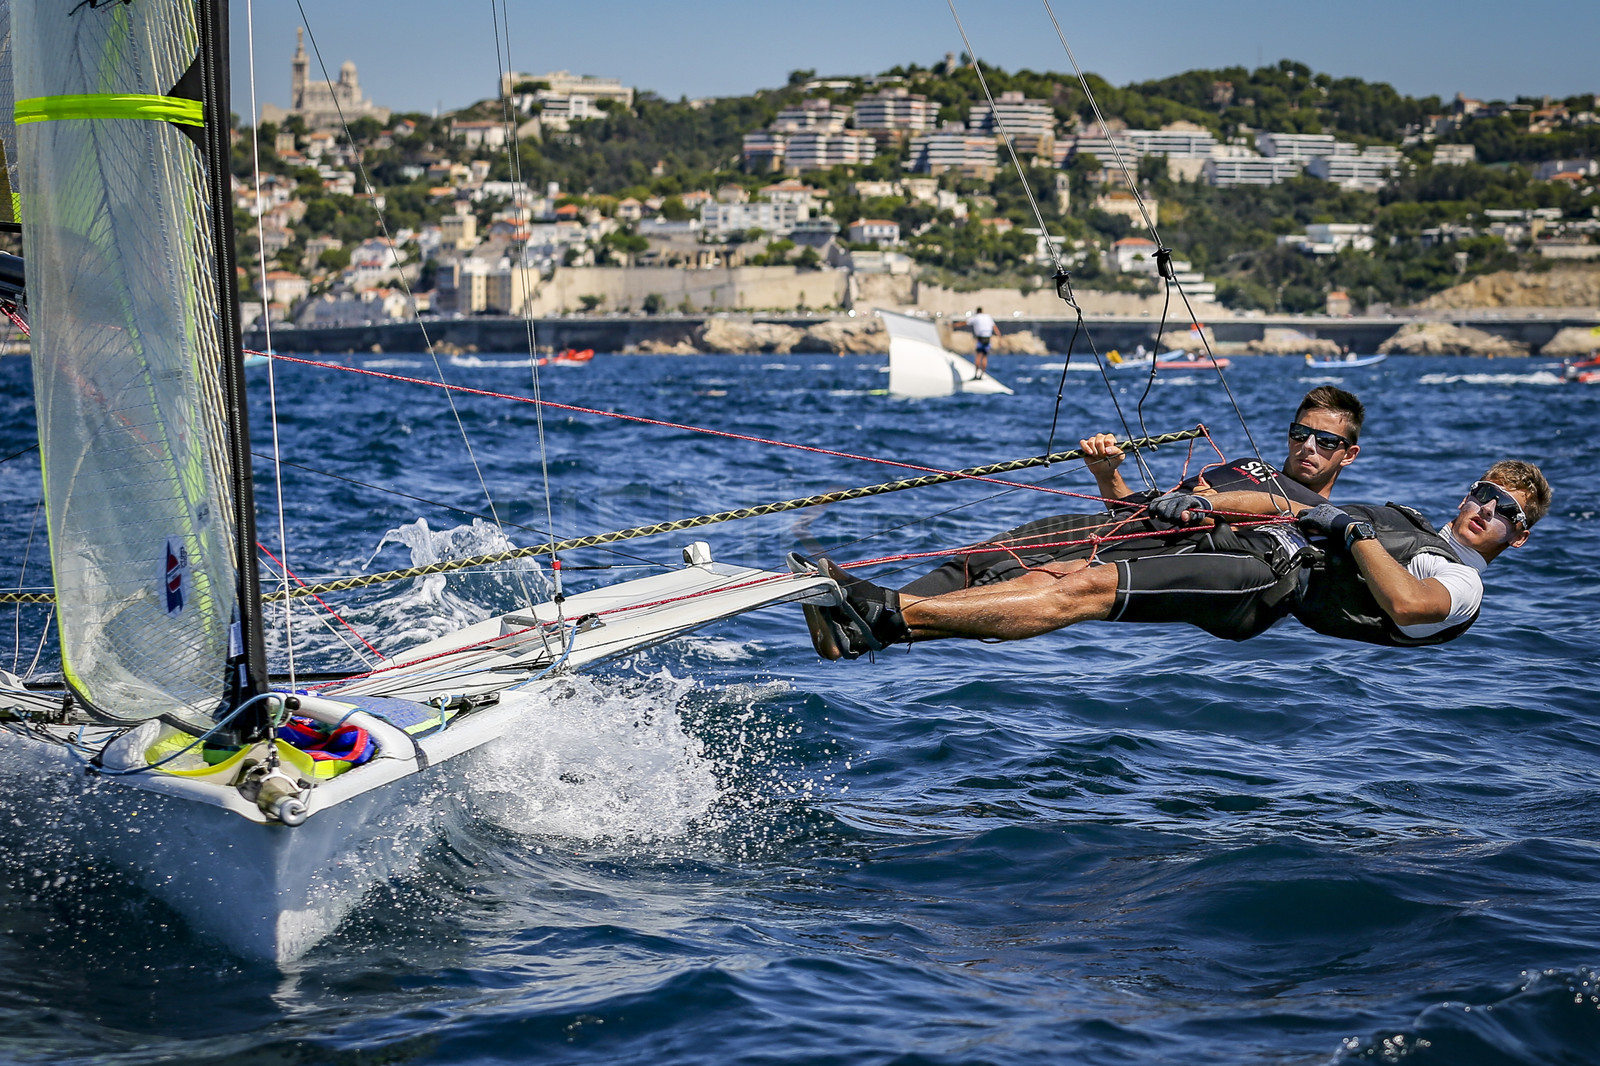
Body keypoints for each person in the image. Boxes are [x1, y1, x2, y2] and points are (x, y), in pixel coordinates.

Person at [800, 461, 1549, 660]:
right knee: (1042, 561)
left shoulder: (1460, 583)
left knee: (1088, 589)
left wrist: (1350, 532)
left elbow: (1410, 607)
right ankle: (866, 627)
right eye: (1485, 493)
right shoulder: (1400, 519)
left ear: (1517, 538)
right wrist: (1198, 503)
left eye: (1507, 512)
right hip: (1241, 539)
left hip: (1267, 581)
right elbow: (1286, 504)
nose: (1488, 508)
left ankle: (883, 614)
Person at [956, 306, 999, 378]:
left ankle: (976, 374)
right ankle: (982, 375)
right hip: (988, 338)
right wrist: (999, 335)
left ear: (977, 311)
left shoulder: (976, 317)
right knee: (984, 356)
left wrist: (956, 325)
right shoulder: (988, 317)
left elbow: (966, 322)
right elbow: (994, 327)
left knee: (978, 356)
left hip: (980, 338)